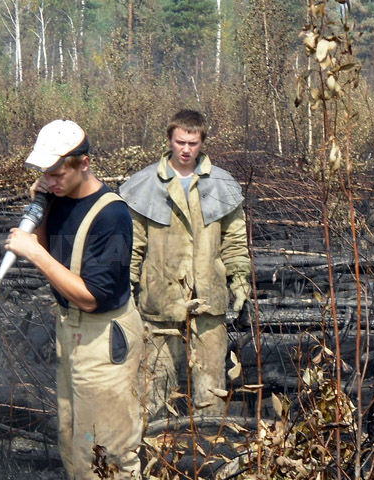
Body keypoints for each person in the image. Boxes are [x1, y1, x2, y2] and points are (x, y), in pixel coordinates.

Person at [5, 119, 143, 479]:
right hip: (72, 335)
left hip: (104, 339)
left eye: (56, 173)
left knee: (106, 453)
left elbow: (90, 297)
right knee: (74, 445)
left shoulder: (112, 216)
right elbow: (60, 258)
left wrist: (32, 252)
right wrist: (42, 207)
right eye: (44, 174)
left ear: (83, 163)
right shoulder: (61, 198)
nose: (50, 182)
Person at [119, 109, 251, 421]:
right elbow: (132, 244)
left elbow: (235, 241)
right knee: (153, 394)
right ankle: (150, 457)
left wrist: (240, 281)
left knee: (210, 397)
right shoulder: (145, 185)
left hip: (209, 304)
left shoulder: (221, 184)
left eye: (193, 142)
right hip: (159, 304)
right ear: (169, 140)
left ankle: (206, 460)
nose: (186, 149)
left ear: (202, 141)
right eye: (180, 142)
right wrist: (125, 286)